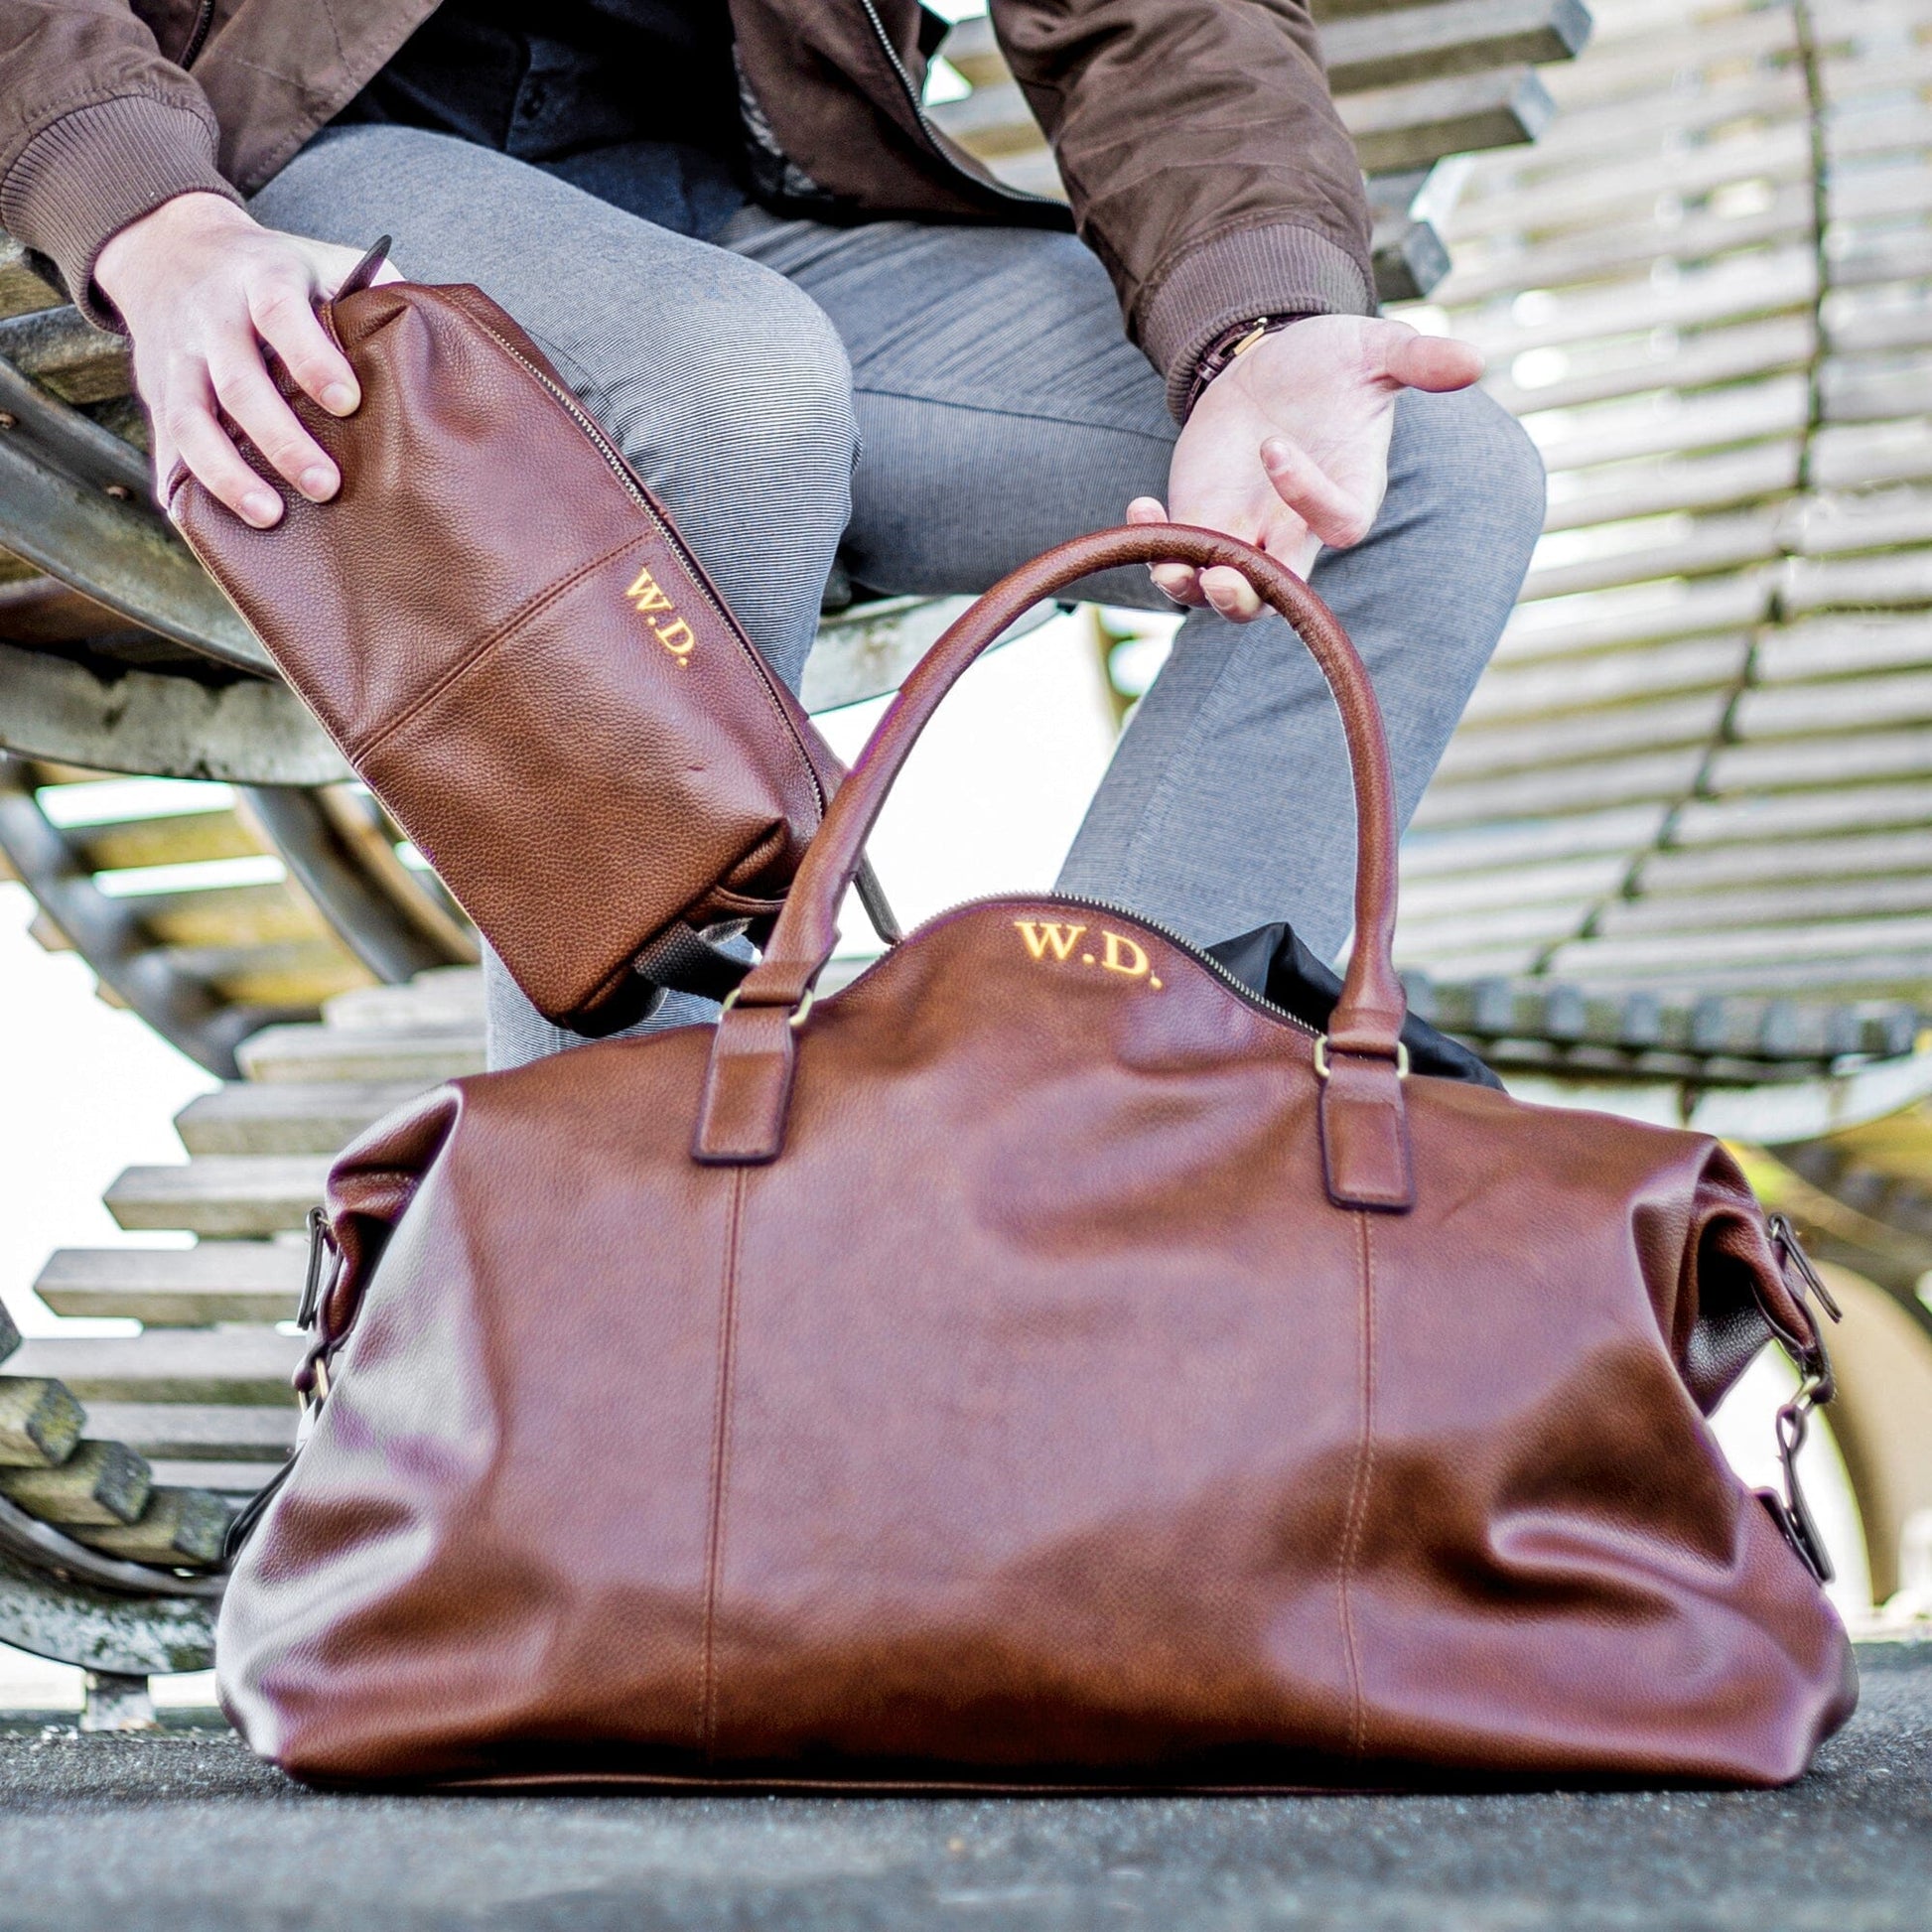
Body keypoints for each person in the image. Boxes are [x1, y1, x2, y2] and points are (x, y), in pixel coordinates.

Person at [0, 0, 1544, 1068]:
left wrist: (1254, 324)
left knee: (1411, 479)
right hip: (296, 206)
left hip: (737, 213)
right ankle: (606, 1282)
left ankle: (1085, 1167)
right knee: (733, 386)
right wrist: (145, 210)